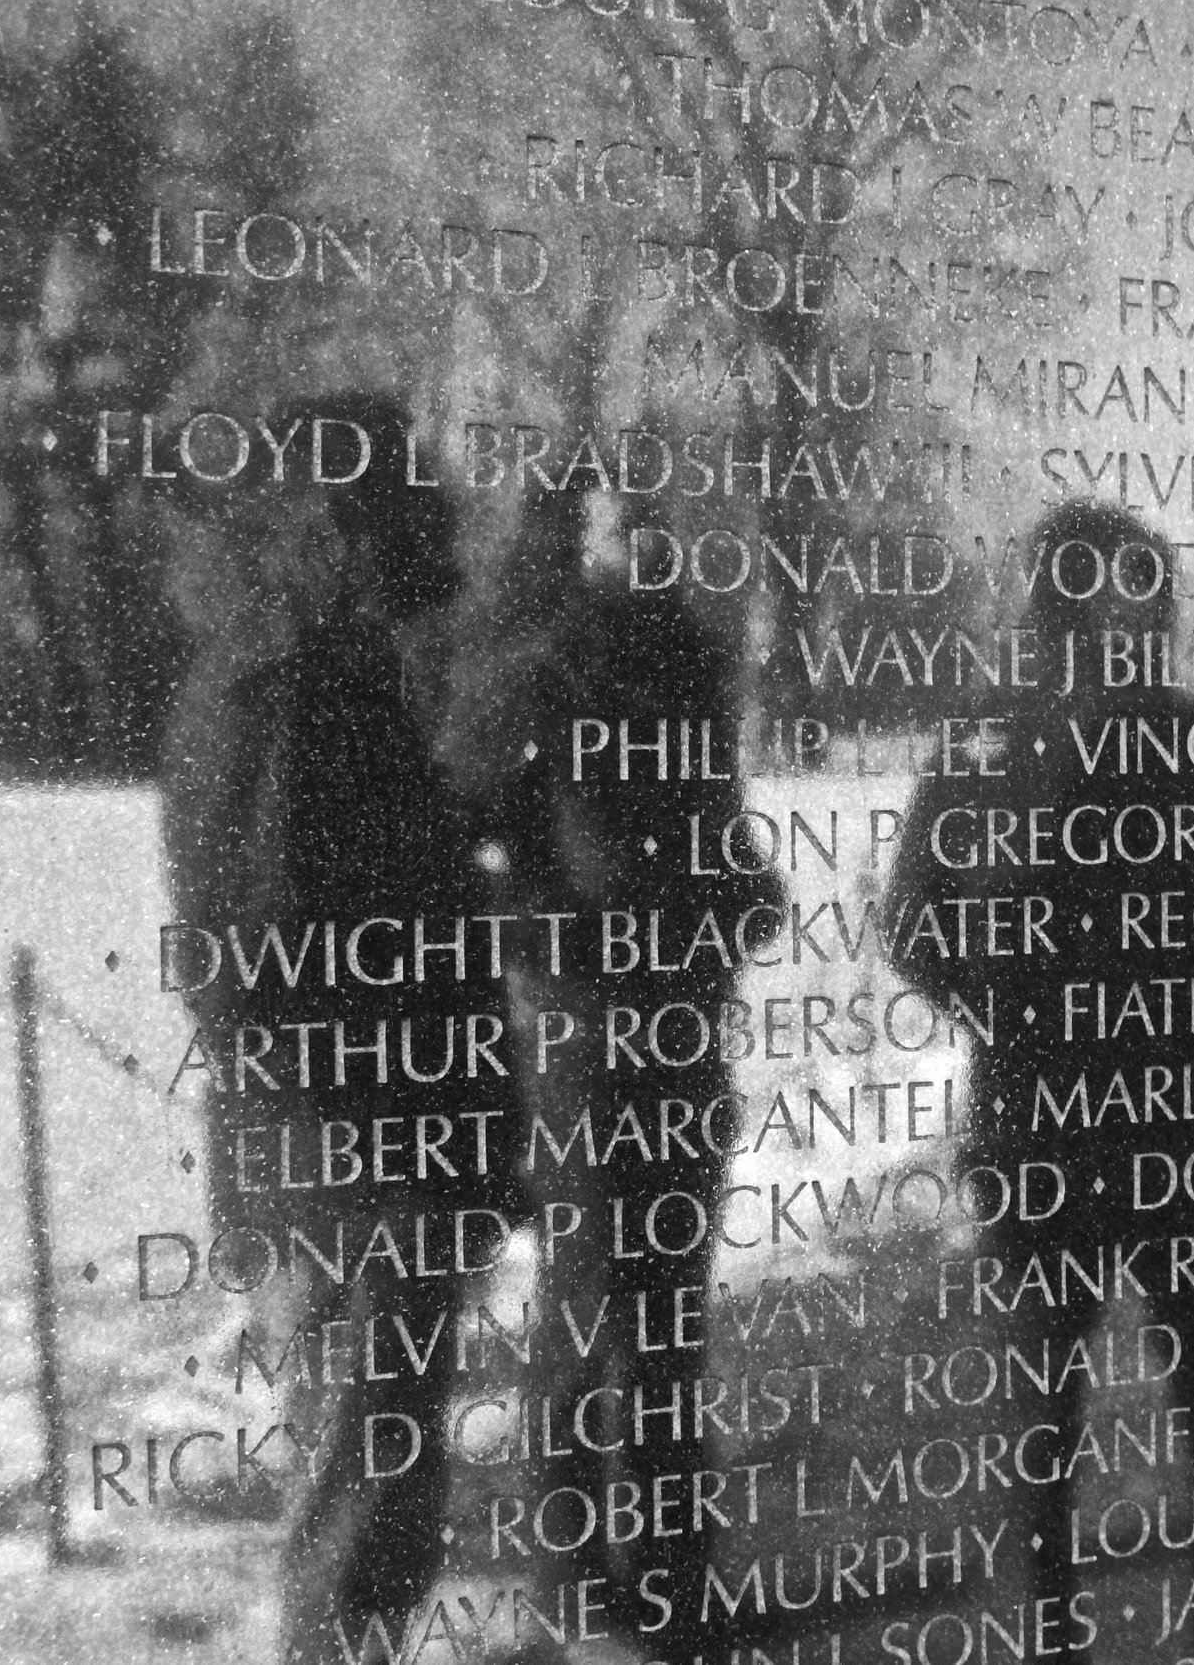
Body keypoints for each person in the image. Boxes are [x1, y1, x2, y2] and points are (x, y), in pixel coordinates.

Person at [884, 502, 1194, 1665]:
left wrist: (1011, 1020)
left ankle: (1042, 1636)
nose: (1153, 621)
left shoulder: (985, 742)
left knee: (1042, 1413)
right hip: (1177, 1126)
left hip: (1038, 1120)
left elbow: (911, 925)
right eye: (1144, 598)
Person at [158, 391, 504, 1664]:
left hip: (365, 1162)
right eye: (408, 491)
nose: (441, 517)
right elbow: (252, 970)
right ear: (345, 522)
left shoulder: (324, 678)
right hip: (354, 1172)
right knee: (359, 1510)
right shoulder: (288, 694)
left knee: (378, 1499)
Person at [448, 486, 783, 1665]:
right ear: (577, 546)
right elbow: (471, 845)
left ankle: (677, 1564)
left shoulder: (690, 670)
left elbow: (715, 830)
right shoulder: (534, 674)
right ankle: (575, 1575)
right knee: (587, 1307)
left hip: (682, 1025)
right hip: (585, 1038)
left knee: (670, 1312)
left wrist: (742, 892)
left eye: (652, 522)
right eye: (616, 526)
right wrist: (554, 929)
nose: (642, 542)